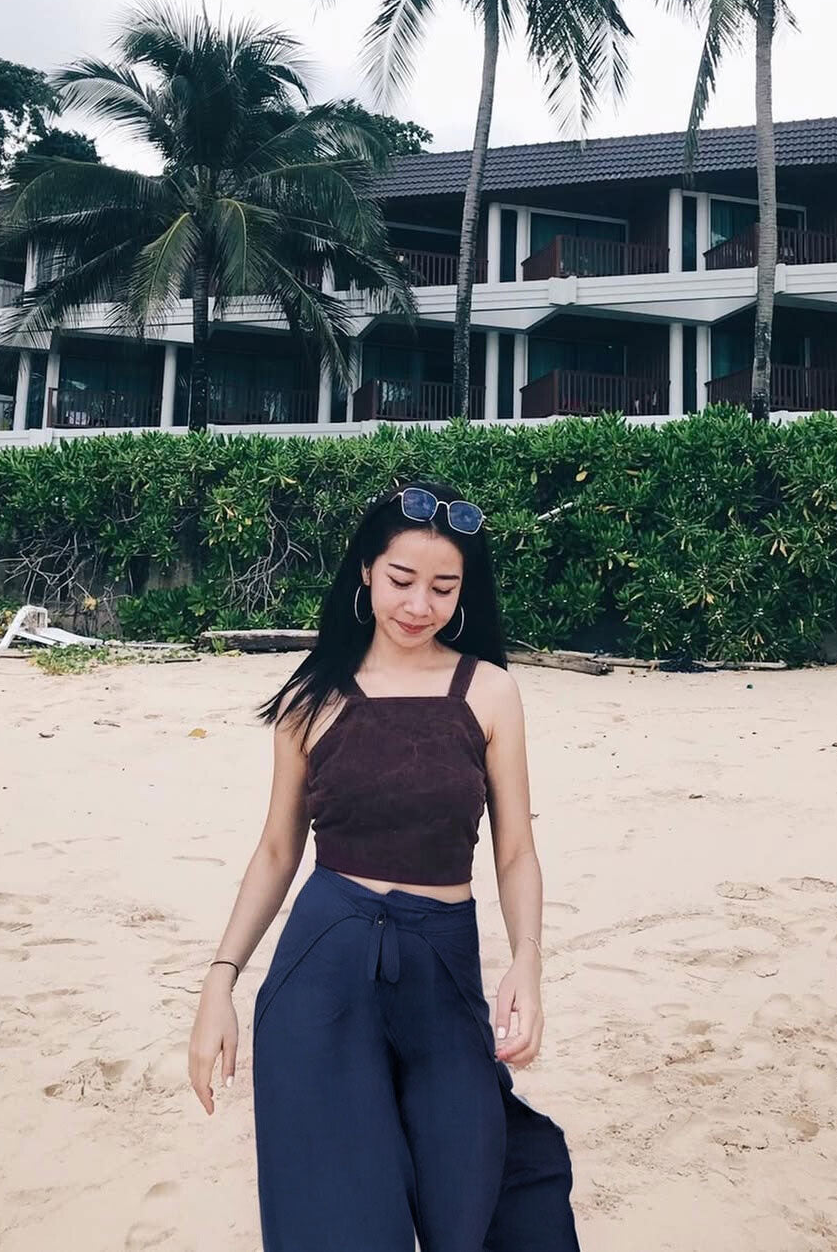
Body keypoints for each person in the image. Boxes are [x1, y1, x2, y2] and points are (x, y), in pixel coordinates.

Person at [188, 480, 581, 1252]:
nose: (418, 605)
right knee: (340, 1219)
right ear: (366, 572)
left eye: (444, 587)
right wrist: (220, 979)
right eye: (402, 581)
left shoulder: (491, 692)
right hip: (323, 972)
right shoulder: (311, 700)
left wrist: (528, 963)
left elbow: (516, 851)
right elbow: (277, 850)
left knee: (468, 1195)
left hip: (443, 967)